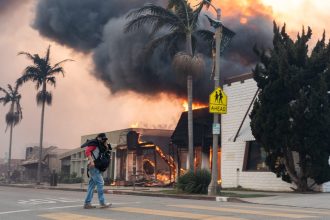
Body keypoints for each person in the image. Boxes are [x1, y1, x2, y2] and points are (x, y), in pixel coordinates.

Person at [83, 133, 112, 209]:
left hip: (95, 167)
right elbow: (87, 151)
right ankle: (102, 203)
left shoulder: (101, 145)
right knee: (100, 183)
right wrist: (92, 161)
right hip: (93, 166)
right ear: (99, 138)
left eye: (105, 139)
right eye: (103, 139)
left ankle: (87, 203)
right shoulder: (94, 143)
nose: (104, 140)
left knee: (91, 185)